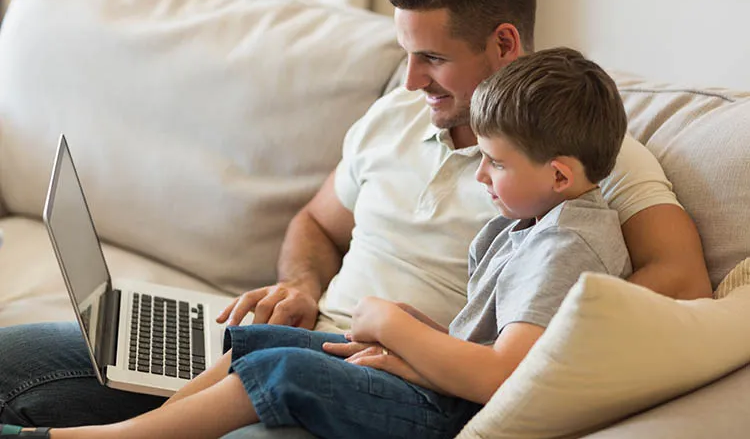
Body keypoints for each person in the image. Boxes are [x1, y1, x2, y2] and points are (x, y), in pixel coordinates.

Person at [0, 0, 711, 438]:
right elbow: (315, 222)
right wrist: (302, 289)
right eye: (407, 54)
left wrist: (504, 354)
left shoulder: (588, 158)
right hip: (303, 339)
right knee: (18, 364)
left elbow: (681, 286)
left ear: (503, 44)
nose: (410, 83)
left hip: (393, 385)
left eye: (432, 59)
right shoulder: (394, 119)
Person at [0, 46, 633, 439]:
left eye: (493, 164)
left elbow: (503, 376)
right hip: (414, 368)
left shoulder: (567, 242)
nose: (482, 174)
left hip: (444, 414)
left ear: (558, 175)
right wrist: (401, 330)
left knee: (282, 369)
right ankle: (140, 431)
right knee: (260, 341)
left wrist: (389, 320)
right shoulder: (525, 217)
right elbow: (484, 342)